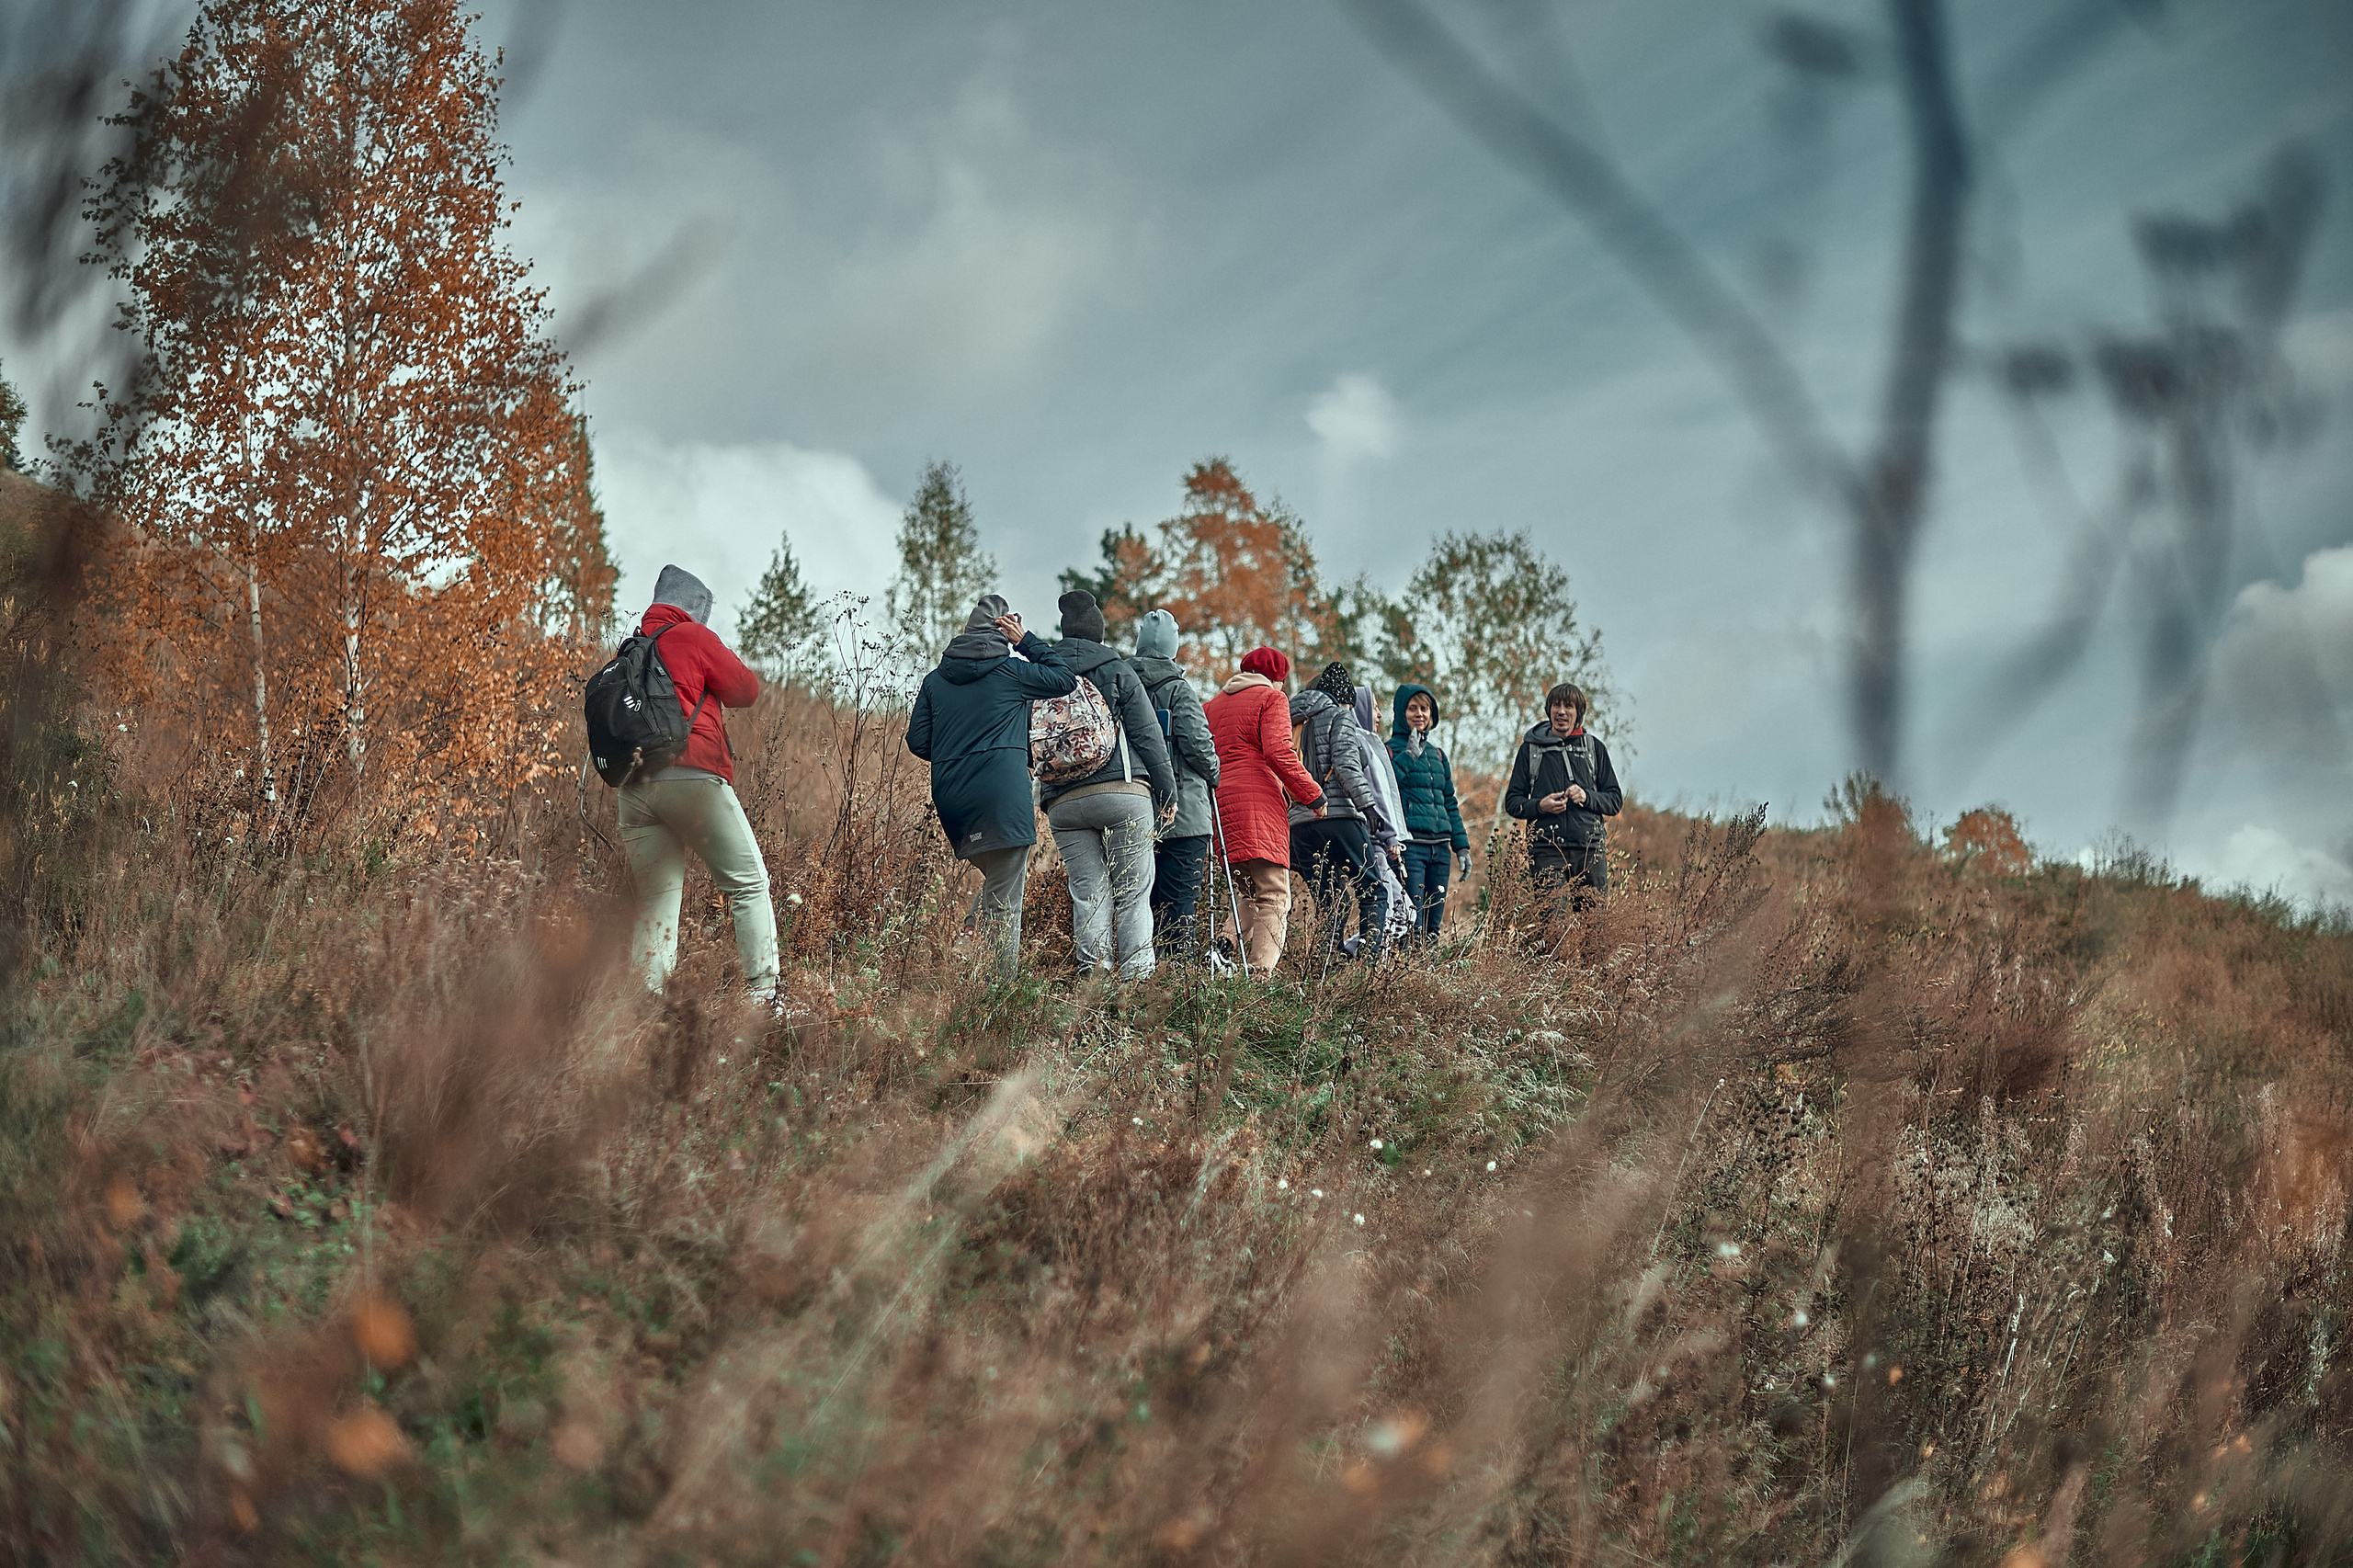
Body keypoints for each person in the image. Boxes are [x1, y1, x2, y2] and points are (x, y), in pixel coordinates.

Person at [619, 564, 782, 1003]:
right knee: (749, 883)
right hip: (691, 775)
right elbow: (746, 690)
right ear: (696, 608)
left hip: (634, 788)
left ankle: (646, 1004)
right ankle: (763, 998)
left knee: (656, 900)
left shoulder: (631, 647)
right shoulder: (693, 636)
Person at [906, 594, 1078, 973]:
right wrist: (1025, 641)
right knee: (1007, 903)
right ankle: (1001, 991)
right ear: (1004, 630)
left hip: (954, 802)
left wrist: (957, 754)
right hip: (1002, 800)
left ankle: (970, 934)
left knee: (1001, 879)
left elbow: (917, 741)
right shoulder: (1011, 672)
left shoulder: (935, 681)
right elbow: (1064, 678)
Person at [1040, 591, 1176, 979]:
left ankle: (1094, 979)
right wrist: (1167, 793)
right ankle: (1137, 980)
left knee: (1088, 890)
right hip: (1122, 791)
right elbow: (1148, 735)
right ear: (1098, 634)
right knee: (1132, 891)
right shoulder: (1116, 668)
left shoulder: (1041, 670)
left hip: (1063, 800)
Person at [1204, 646, 1324, 974]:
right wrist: (1313, 795)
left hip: (1222, 807)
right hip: (1258, 803)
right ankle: (1260, 977)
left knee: (1246, 893)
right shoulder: (1272, 698)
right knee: (1273, 895)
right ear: (1277, 678)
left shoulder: (1211, 706)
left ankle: (1222, 948)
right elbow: (1278, 752)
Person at [1129, 608, 1220, 959]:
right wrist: (1215, 772)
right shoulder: (1179, 690)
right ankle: (1178, 974)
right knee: (1181, 901)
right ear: (1173, 646)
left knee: (1145, 902)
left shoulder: (1124, 685)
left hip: (1136, 810)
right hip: (1185, 814)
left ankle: (1146, 973)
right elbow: (1199, 746)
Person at [1288, 662, 1383, 960]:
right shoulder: (1339, 715)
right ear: (1344, 699)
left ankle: (1326, 965)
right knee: (1373, 890)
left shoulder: (1289, 720)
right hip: (1339, 816)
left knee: (1330, 901)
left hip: (1300, 825)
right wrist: (1367, 805)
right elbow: (1346, 765)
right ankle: (1367, 966)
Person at [1504, 681, 1623, 913]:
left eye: (1568, 706)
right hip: (1546, 850)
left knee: (1593, 926)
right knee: (1552, 927)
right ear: (1548, 710)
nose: (1561, 711)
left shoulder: (1594, 748)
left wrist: (1586, 797)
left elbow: (1614, 801)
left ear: (1578, 713)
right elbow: (1512, 802)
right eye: (1556, 705)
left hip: (1589, 849)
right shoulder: (1530, 749)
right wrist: (1540, 806)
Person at [1386, 682, 1472, 944]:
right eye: (1412, 708)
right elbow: (1386, 789)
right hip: (1410, 847)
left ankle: (1429, 968)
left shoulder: (1438, 755)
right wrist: (1409, 755)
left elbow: (1449, 802)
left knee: (1432, 927)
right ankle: (1406, 968)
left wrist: (1462, 847)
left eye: (1425, 709)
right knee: (1409, 921)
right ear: (1401, 712)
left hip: (1441, 851)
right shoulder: (1389, 750)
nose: (1419, 714)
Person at [1349, 685, 1413, 956]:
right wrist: (1390, 836)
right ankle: (1362, 958)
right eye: (1374, 707)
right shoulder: (1362, 742)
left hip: (1374, 838)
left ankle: (1366, 958)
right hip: (1373, 839)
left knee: (1401, 909)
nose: (1379, 714)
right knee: (1390, 907)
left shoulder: (1366, 741)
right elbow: (1375, 795)